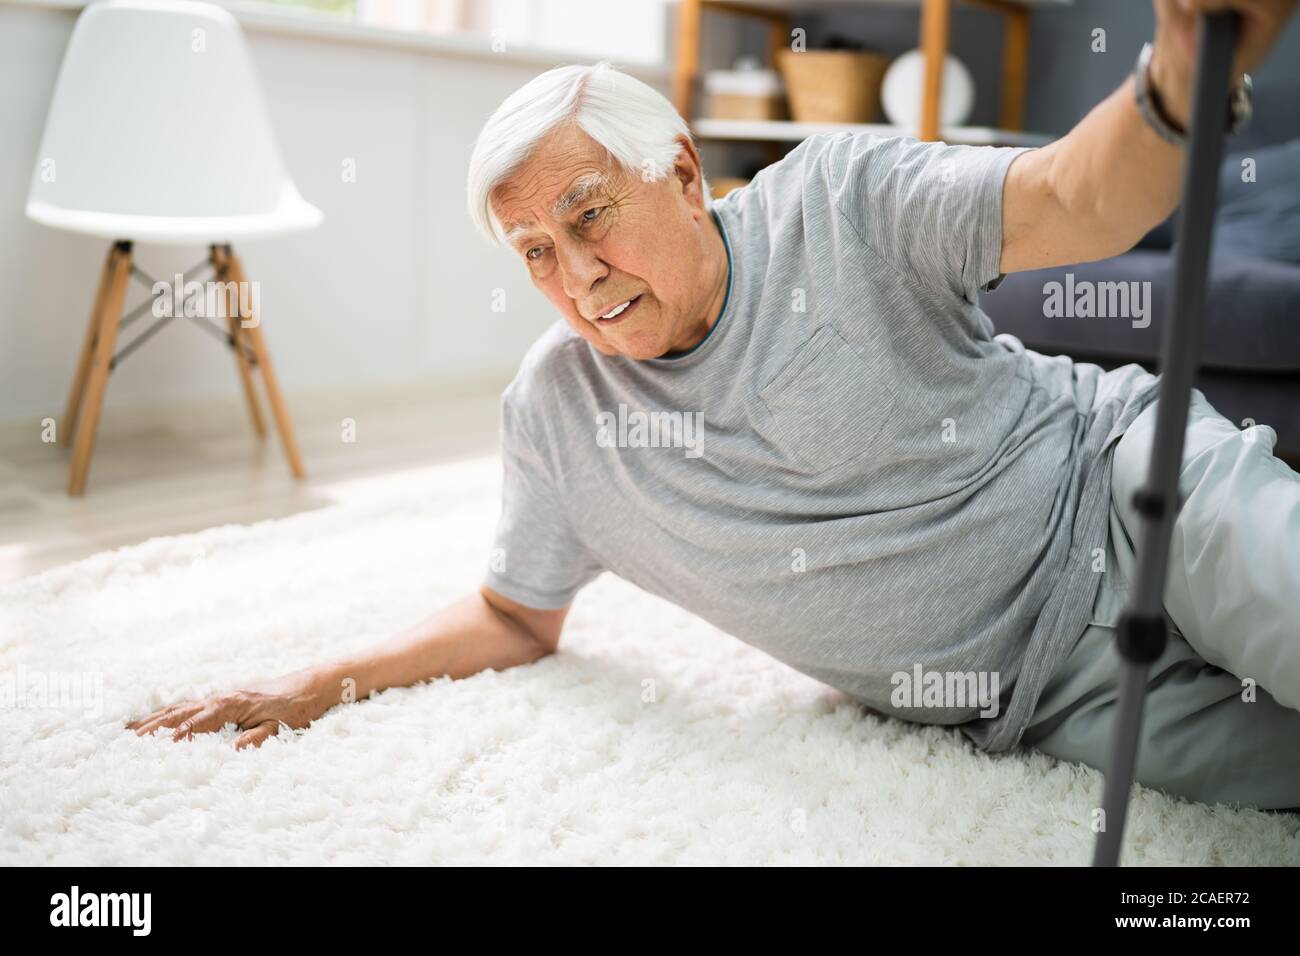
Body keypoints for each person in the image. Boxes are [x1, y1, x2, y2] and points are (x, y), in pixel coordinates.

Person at [129, 0, 1300, 810]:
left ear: (682, 172)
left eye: (587, 214)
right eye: (535, 250)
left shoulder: (847, 199)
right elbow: (513, 614)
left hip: (1130, 492)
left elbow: (1072, 200)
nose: (574, 274)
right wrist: (320, 681)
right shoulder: (558, 412)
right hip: (1045, 701)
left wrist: (1174, 84)